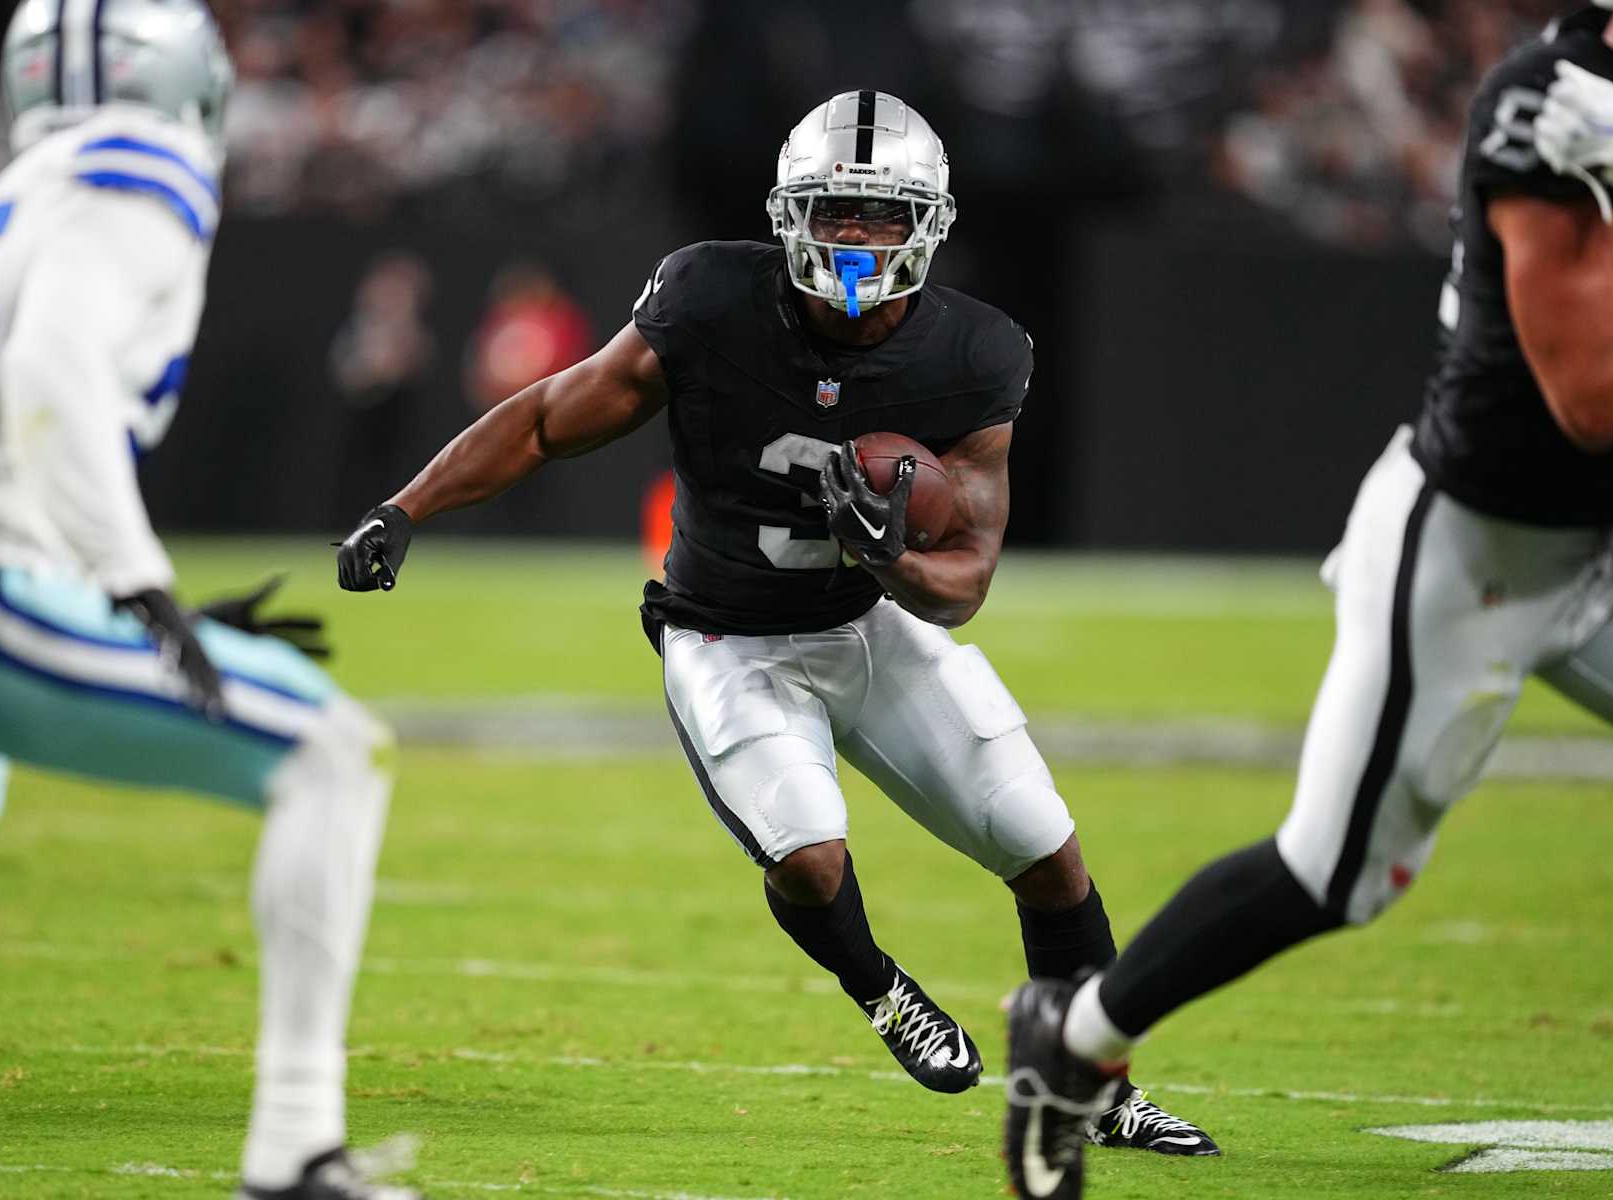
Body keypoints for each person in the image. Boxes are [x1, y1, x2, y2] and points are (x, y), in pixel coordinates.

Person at [337, 88, 1215, 1158]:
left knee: (1042, 844)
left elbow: (967, 578)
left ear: (927, 223)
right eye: (834, 209)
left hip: (864, 623)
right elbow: (548, 418)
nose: (854, 238)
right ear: (788, 212)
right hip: (726, 634)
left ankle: (1096, 1091)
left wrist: (889, 556)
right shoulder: (710, 298)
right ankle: (881, 988)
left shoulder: (975, 353)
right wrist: (406, 507)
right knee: (807, 857)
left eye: (880, 214)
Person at [1001, 5, 1613, 1197]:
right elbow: (1594, 394)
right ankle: (1078, 1036)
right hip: (1479, 550)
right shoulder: (1557, 107)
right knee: (1338, 871)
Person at [0, 4, 414, 1198]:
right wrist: (137, 582)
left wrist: (112, 595)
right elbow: (49, 367)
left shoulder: (0, 200)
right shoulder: (143, 170)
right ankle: (295, 1152)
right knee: (330, 754)